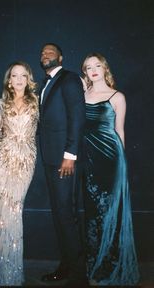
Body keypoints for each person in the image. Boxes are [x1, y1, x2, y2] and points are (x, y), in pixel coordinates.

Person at [0, 61, 38, 286]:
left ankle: (12, 270)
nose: (19, 79)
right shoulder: (0, 104)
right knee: (3, 215)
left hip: (26, 162)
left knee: (15, 210)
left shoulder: (37, 103)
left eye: (23, 75)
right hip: (3, 162)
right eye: (14, 75)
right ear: (9, 80)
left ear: (28, 79)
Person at [81, 52, 140, 285]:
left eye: (97, 65)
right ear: (84, 72)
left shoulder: (117, 96)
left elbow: (120, 131)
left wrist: (122, 166)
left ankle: (109, 266)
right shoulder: (82, 94)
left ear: (104, 68)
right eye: (88, 67)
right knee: (93, 213)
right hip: (89, 160)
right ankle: (95, 263)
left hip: (112, 160)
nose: (93, 70)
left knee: (110, 212)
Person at [38, 43, 87, 285]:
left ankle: (78, 275)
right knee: (60, 214)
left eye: (50, 51)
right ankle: (68, 264)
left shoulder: (69, 79)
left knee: (66, 214)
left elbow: (77, 117)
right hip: (50, 159)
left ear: (61, 57)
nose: (45, 54)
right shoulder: (45, 84)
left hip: (64, 160)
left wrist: (70, 155)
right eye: (42, 52)